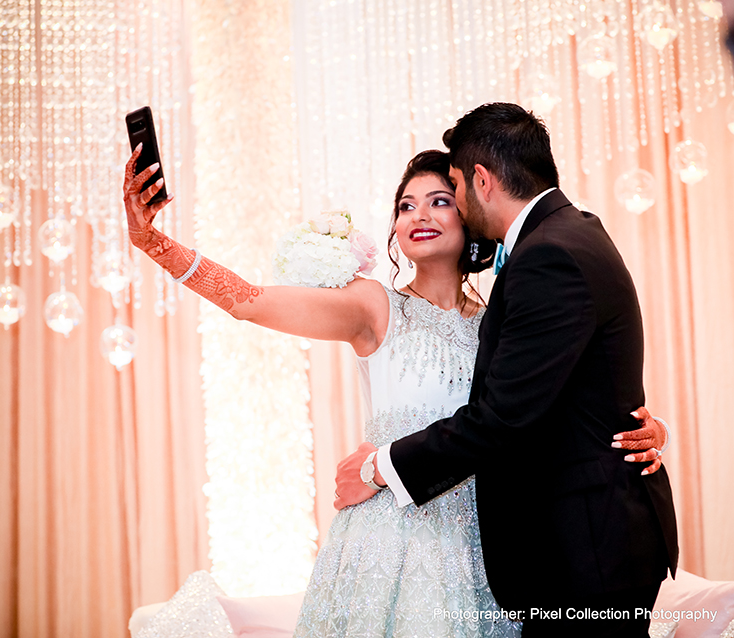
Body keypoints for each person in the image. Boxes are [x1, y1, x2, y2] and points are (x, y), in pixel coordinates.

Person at [123, 144, 668, 637]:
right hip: (390, 539)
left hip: (493, 541)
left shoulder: (504, 314)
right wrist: (153, 242)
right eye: (406, 206)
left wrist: (645, 426)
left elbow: (550, 404)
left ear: (471, 211)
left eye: (439, 201)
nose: (420, 216)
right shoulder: (373, 305)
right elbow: (249, 300)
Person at [334, 103, 679, 638]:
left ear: (480, 180)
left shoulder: (548, 256)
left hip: (584, 550)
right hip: (586, 541)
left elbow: (502, 418)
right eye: (407, 206)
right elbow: (585, 381)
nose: (434, 214)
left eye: (449, 192)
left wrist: (381, 466)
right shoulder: (576, 232)